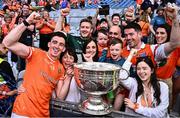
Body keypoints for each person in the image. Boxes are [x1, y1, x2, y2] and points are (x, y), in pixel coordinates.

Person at [2, 12, 67, 117]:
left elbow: (60, 96)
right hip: (22, 112)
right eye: (54, 42)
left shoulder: (61, 68)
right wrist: (27, 22)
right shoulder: (36, 53)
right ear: (49, 44)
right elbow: (7, 43)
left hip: (43, 114)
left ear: (63, 49)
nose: (57, 46)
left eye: (61, 44)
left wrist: (68, 76)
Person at [155, 24, 180, 109]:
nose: (158, 35)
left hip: (166, 82)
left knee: (166, 108)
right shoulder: (152, 47)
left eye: (162, 33)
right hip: (151, 81)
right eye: (157, 33)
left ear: (168, 34)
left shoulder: (176, 48)